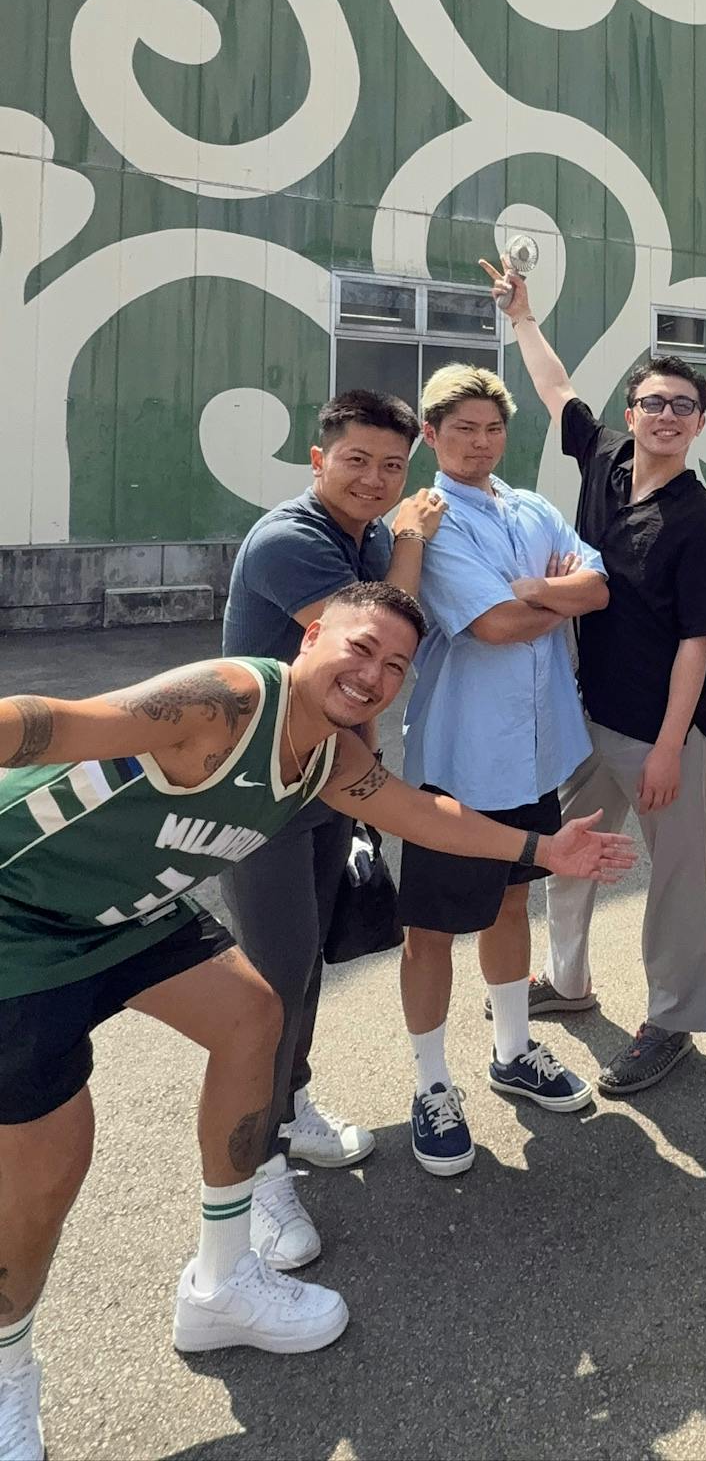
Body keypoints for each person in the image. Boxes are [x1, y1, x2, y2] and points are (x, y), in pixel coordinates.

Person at [0, 583, 634, 1461]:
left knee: (253, 1016)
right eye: (360, 648)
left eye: (395, 667)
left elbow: (416, 812)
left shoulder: (326, 757)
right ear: (309, 637)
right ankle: (8, 1369)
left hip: (130, 915)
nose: (373, 675)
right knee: (48, 1170)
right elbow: (48, 723)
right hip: (19, 920)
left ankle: (221, 1283)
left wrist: (543, 849)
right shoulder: (229, 701)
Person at [482, 254, 706, 1096]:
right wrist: (522, 317)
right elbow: (555, 389)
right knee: (570, 854)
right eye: (654, 402)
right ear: (633, 413)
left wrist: (666, 748)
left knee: (677, 880)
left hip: (662, 729)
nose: (666, 415)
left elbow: (697, 642)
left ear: (699, 424)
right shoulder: (607, 461)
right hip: (586, 713)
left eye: (683, 406)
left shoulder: (701, 520)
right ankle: (569, 981)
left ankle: (672, 1019)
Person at [220, 389, 447, 1269]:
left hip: (322, 782)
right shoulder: (292, 540)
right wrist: (412, 541)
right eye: (357, 460)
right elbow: (382, 639)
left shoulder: (365, 536)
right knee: (268, 986)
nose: (375, 480)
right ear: (319, 461)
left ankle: (289, 1109)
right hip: (259, 792)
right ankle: (253, 1174)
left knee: (305, 962)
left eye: (392, 467)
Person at [398, 364, 610, 1176]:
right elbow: (493, 626)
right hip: (463, 757)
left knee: (514, 898)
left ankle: (513, 1051)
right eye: (462, 429)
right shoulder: (429, 521)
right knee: (430, 930)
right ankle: (430, 1083)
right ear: (431, 436)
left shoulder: (532, 507)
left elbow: (598, 586)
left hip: (535, 751)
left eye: (492, 428)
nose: (480, 443)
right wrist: (549, 595)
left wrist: (542, 593)